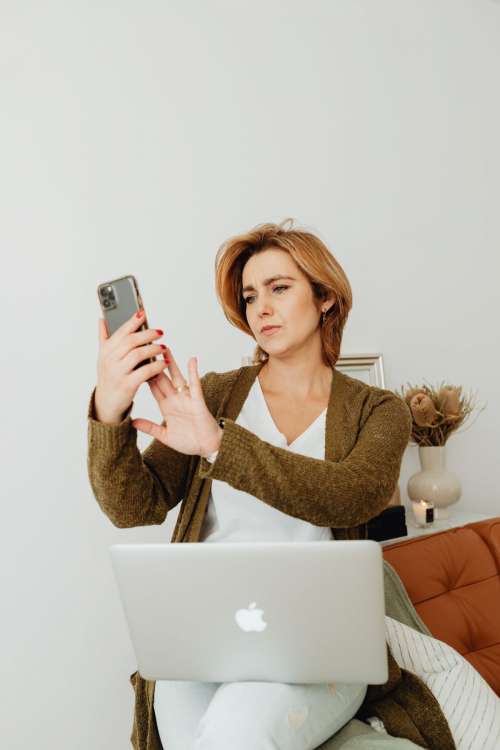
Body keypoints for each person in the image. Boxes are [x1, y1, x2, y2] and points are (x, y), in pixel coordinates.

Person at [87, 219, 455, 750]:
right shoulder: (214, 395)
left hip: (321, 645)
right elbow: (132, 507)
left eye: (280, 288)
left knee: (236, 732)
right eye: (250, 295)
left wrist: (219, 447)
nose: (261, 308)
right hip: (201, 640)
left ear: (325, 297)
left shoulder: (378, 409)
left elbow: (351, 496)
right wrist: (110, 409)